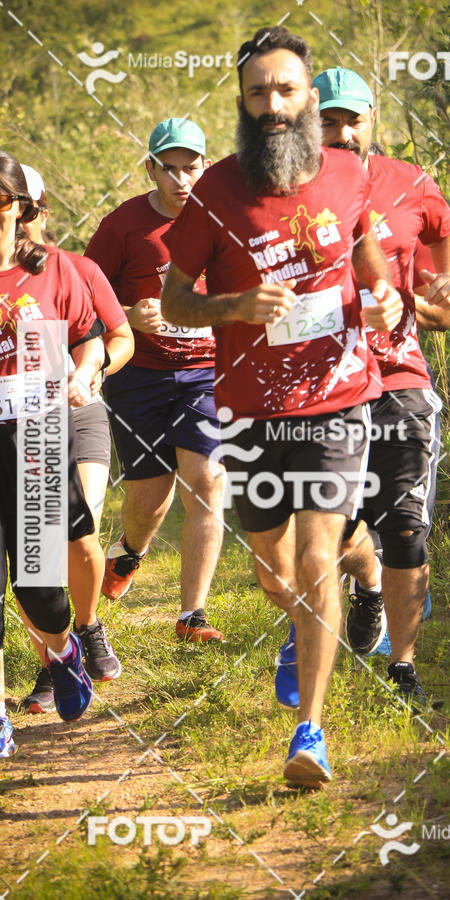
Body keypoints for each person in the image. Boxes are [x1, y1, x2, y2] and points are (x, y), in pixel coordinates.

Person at [161, 26, 403, 787]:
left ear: (309, 98)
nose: (273, 105)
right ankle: (332, 598)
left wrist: (385, 292)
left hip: (337, 394)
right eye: (259, 91)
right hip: (249, 409)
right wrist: (235, 302)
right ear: (241, 98)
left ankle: (311, 734)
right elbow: (174, 301)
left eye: (287, 91)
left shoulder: (347, 172)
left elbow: (368, 253)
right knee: (273, 571)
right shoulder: (216, 192)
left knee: (314, 554)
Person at [311, 67, 450, 706]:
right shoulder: (287, 191)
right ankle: (367, 583)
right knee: (334, 525)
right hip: (323, 384)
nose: (343, 131)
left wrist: (449, 281)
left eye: (353, 118)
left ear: (372, 117)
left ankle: (403, 670)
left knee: (405, 528)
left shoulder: (407, 180)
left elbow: (448, 230)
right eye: (328, 119)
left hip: (400, 377)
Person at [85, 118, 226, 644]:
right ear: (150, 168)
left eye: (192, 167)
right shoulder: (122, 227)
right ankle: (130, 551)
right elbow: (84, 309)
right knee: (151, 498)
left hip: (205, 373)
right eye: (170, 168)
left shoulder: (222, 221)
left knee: (207, 481)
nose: (182, 179)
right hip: (139, 376)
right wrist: (129, 314)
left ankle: (193, 617)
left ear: (205, 167)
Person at [18, 165, 134, 714]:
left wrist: (90, 375)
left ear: (40, 212)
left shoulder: (76, 269)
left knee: (78, 531)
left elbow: (118, 338)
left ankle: (86, 628)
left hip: (79, 413)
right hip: (20, 425)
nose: (27, 221)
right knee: (34, 547)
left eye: (32, 210)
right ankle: (53, 662)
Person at [0, 151, 105, 754]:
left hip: (36, 437)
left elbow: (91, 341)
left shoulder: (52, 273)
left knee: (38, 591)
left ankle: (64, 650)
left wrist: (82, 374)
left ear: (11, 208)